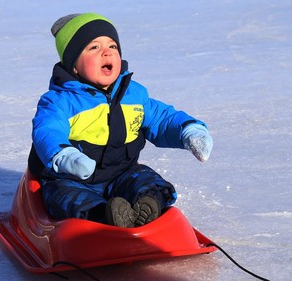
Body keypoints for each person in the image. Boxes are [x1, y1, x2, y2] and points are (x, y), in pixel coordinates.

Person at [28, 13, 213, 228]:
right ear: (74, 66)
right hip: (72, 180)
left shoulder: (133, 95)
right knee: (64, 198)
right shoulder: (60, 102)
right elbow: (47, 131)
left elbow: (162, 118)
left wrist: (189, 131)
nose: (106, 51)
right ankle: (104, 215)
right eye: (94, 47)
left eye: (112, 46)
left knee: (149, 181)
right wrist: (65, 156)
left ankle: (146, 206)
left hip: (121, 175)